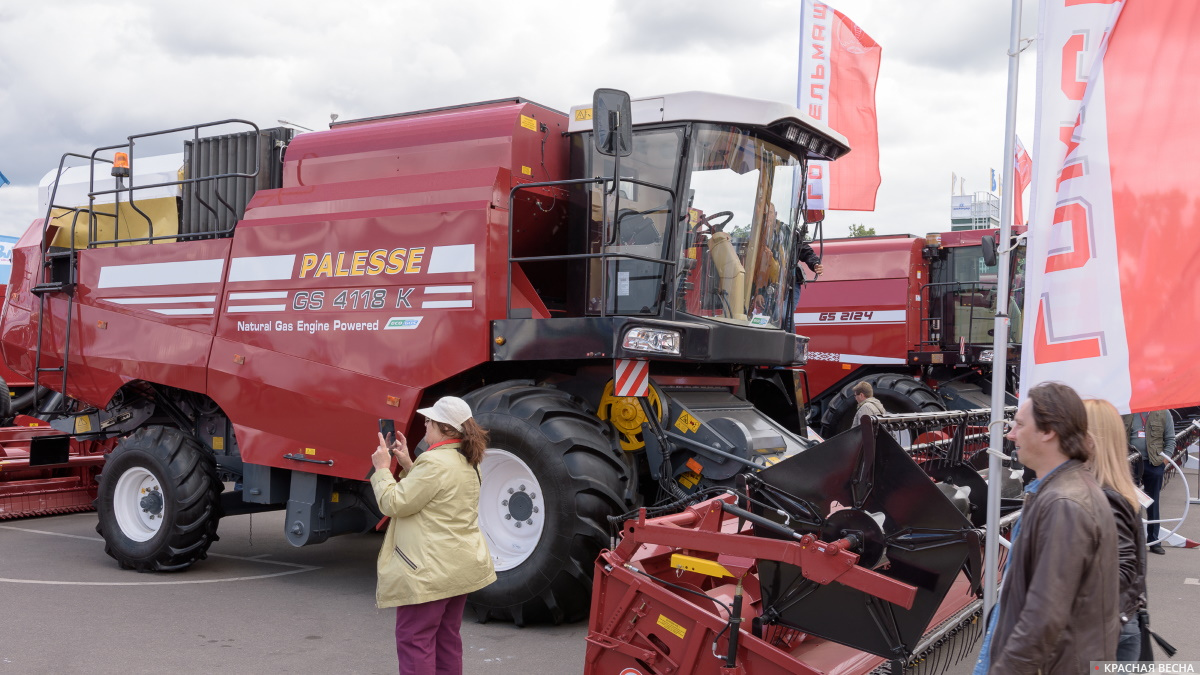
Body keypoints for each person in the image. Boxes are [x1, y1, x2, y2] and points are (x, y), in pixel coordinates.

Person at [974, 382, 1118, 673]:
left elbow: (1044, 614)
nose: (1010, 434)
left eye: (1019, 425)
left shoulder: (1064, 503)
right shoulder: (1065, 491)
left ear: (1048, 431)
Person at [370, 396, 496, 675]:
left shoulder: (435, 462)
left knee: (415, 639)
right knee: (446, 638)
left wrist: (381, 470)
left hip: (428, 570)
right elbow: (436, 493)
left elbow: (393, 503)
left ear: (445, 428)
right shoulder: (467, 459)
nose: (425, 425)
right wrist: (407, 462)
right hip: (457, 567)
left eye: (429, 421)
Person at [1085, 399, 1148, 662]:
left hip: (1103, 629)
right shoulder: (1118, 491)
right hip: (1117, 623)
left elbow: (1120, 572)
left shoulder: (1105, 497)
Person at [1123, 409, 1175, 555]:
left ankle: (1154, 540)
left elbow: (1170, 439)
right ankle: (1132, 541)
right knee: (1130, 503)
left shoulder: (1164, 413)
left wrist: (1163, 463)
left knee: (1153, 502)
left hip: (1153, 464)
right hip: (1130, 462)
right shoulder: (1127, 411)